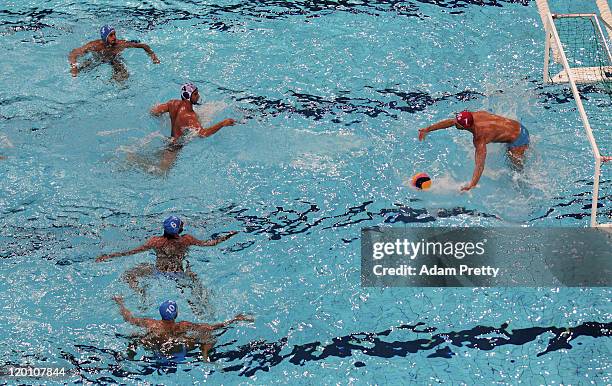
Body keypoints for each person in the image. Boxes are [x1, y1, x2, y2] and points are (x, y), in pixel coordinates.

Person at [97, 216, 237, 317]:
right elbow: (209, 243)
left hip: (158, 271)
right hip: (178, 273)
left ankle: (141, 293)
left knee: (129, 275)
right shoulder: (186, 240)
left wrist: (108, 256)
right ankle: (197, 309)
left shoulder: (156, 241)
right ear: (178, 231)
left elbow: (131, 252)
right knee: (195, 285)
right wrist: (226, 236)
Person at [113, 296, 253, 362]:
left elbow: (129, 318)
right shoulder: (183, 325)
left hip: (157, 350)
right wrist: (234, 319)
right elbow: (211, 327)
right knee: (207, 338)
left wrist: (120, 303)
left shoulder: (151, 324)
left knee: (135, 337)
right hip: (181, 351)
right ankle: (204, 354)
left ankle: (130, 357)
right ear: (176, 314)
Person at [418, 111, 530, 191]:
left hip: (519, 139)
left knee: (516, 169)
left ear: (466, 126)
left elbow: (480, 164)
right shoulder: (471, 116)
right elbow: (451, 122)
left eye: (457, 124)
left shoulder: (480, 137)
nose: (454, 123)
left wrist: (473, 184)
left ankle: (524, 185)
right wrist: (427, 129)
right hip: (517, 126)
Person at [68, 25, 160, 81]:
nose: (114, 37)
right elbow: (73, 53)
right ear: (104, 37)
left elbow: (143, 46)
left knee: (123, 78)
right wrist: (74, 67)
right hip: (98, 58)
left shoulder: (120, 44)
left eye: (114, 34)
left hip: (114, 59)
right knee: (78, 72)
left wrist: (153, 56)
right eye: (111, 35)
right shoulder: (95, 45)